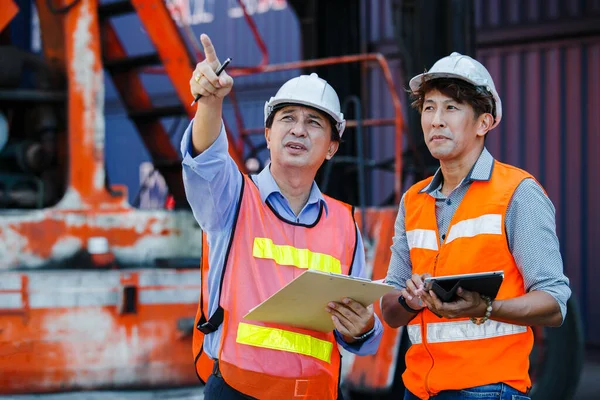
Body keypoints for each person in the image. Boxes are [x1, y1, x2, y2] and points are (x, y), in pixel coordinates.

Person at [183, 34, 383, 400]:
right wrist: (210, 102)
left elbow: (361, 338)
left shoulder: (345, 223)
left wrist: (364, 328)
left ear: (332, 147)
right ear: (268, 134)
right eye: (287, 118)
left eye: (314, 123)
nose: (298, 130)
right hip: (238, 391)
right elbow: (206, 160)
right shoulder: (232, 199)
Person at [381, 52, 571, 400]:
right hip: (418, 389)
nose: (436, 120)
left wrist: (485, 308)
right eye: (428, 108)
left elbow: (554, 304)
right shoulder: (413, 201)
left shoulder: (517, 193)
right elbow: (391, 313)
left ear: (484, 123)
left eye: (451, 108)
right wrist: (409, 301)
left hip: (490, 391)